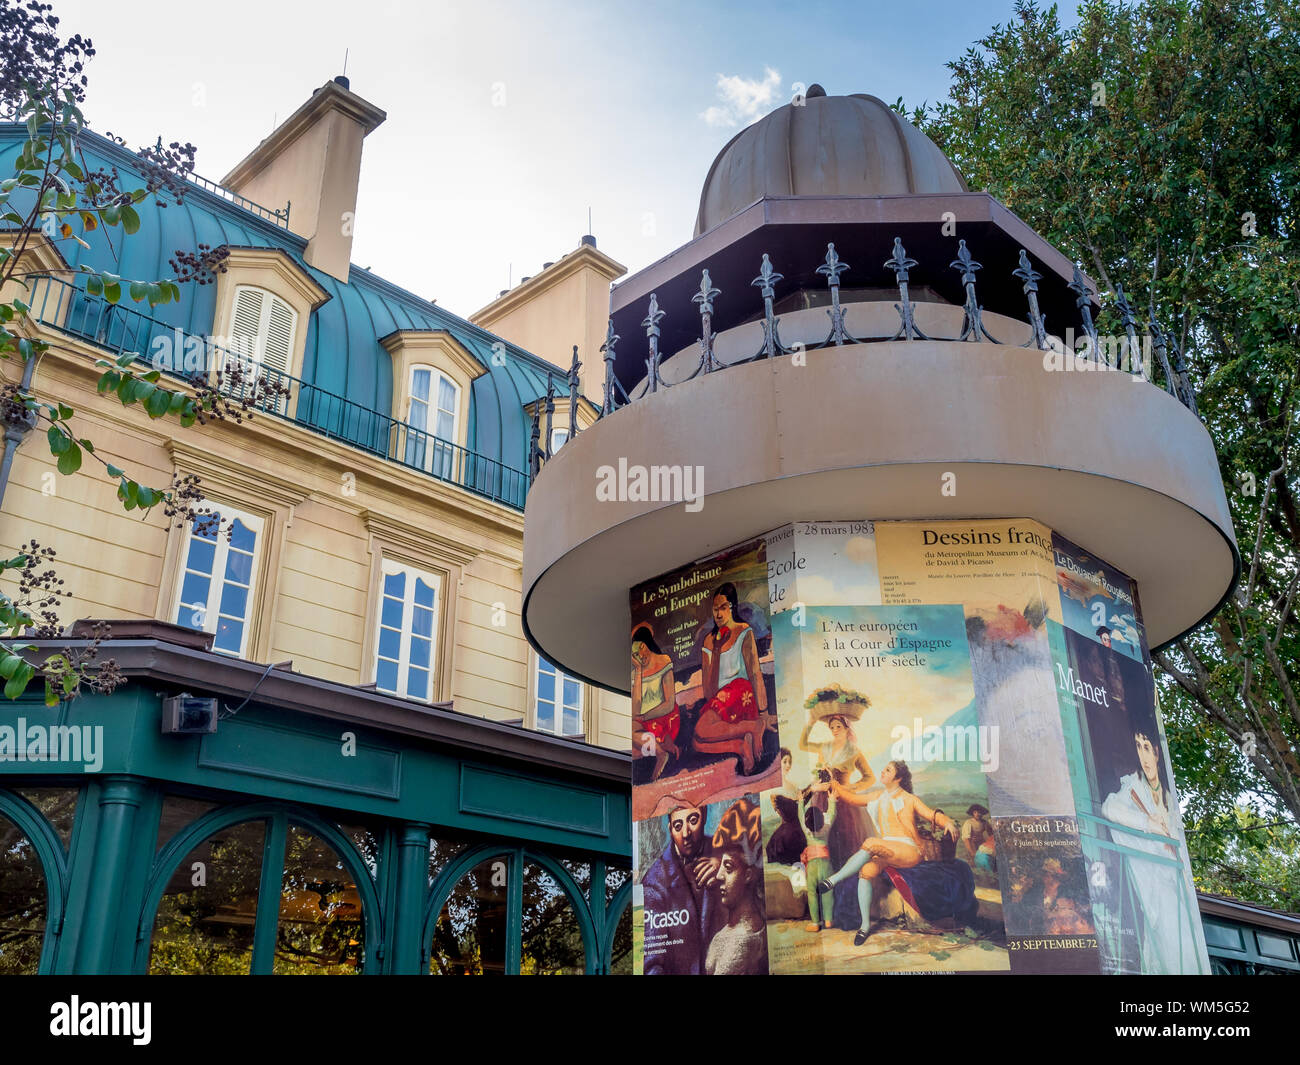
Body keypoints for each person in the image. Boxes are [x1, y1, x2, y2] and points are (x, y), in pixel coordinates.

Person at [816, 760, 959, 945]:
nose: (882, 771)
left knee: (871, 842)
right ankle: (865, 926)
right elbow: (850, 797)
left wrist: (947, 822)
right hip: (885, 848)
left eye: (888, 770)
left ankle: (833, 880)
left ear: (898, 778)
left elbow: (932, 815)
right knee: (866, 872)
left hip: (908, 850)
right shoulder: (877, 796)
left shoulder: (909, 799)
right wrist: (832, 780)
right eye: (884, 768)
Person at [1099, 723, 1199, 973]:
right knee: (1169, 946)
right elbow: (1109, 809)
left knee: (1186, 948)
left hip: (1179, 885)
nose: (1143, 755)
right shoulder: (1133, 786)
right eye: (1137, 747)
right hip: (1156, 884)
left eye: (1146, 747)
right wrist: (1148, 824)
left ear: (1156, 751)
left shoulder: (1168, 795)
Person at [798, 708, 876, 931]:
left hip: (845, 806)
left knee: (845, 852)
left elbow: (869, 777)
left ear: (846, 728)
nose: (834, 731)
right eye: (831, 727)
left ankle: (843, 911)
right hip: (823, 801)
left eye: (838, 727)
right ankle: (824, 913)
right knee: (825, 850)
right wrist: (811, 721)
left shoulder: (854, 751)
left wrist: (850, 787)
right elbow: (803, 744)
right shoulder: (825, 747)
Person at [693, 583, 771, 775]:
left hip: (742, 693)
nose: (718, 614)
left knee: (702, 731)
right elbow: (709, 692)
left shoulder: (744, 631)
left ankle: (754, 725)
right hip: (722, 700)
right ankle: (740, 746)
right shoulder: (709, 642)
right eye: (715, 609)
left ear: (732, 607)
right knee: (697, 742)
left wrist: (764, 712)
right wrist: (717, 650)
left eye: (723, 608)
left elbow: (754, 673)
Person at [640, 800, 723, 975]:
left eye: (693, 820)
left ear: (705, 816)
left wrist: (725, 866)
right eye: (678, 826)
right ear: (670, 829)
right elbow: (650, 964)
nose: (686, 833)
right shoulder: (654, 882)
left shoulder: (723, 853)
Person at [705, 798, 768, 975]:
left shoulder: (748, 939)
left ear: (748, 875)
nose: (719, 876)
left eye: (729, 868)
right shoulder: (723, 934)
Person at [631, 625, 678, 781]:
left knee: (635, 745)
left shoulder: (664, 661)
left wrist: (646, 716)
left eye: (641, 649)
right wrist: (638, 671)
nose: (640, 656)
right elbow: (635, 710)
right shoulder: (635, 672)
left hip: (663, 716)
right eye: (634, 655)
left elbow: (670, 703)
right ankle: (660, 750)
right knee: (631, 739)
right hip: (643, 720)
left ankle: (660, 752)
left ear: (646, 644)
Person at [961, 804, 994, 868]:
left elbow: (991, 834)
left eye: (980, 813)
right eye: (976, 812)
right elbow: (966, 839)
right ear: (973, 813)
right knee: (974, 860)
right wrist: (971, 851)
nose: (978, 814)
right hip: (971, 843)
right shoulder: (968, 822)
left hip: (981, 843)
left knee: (986, 857)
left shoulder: (984, 822)